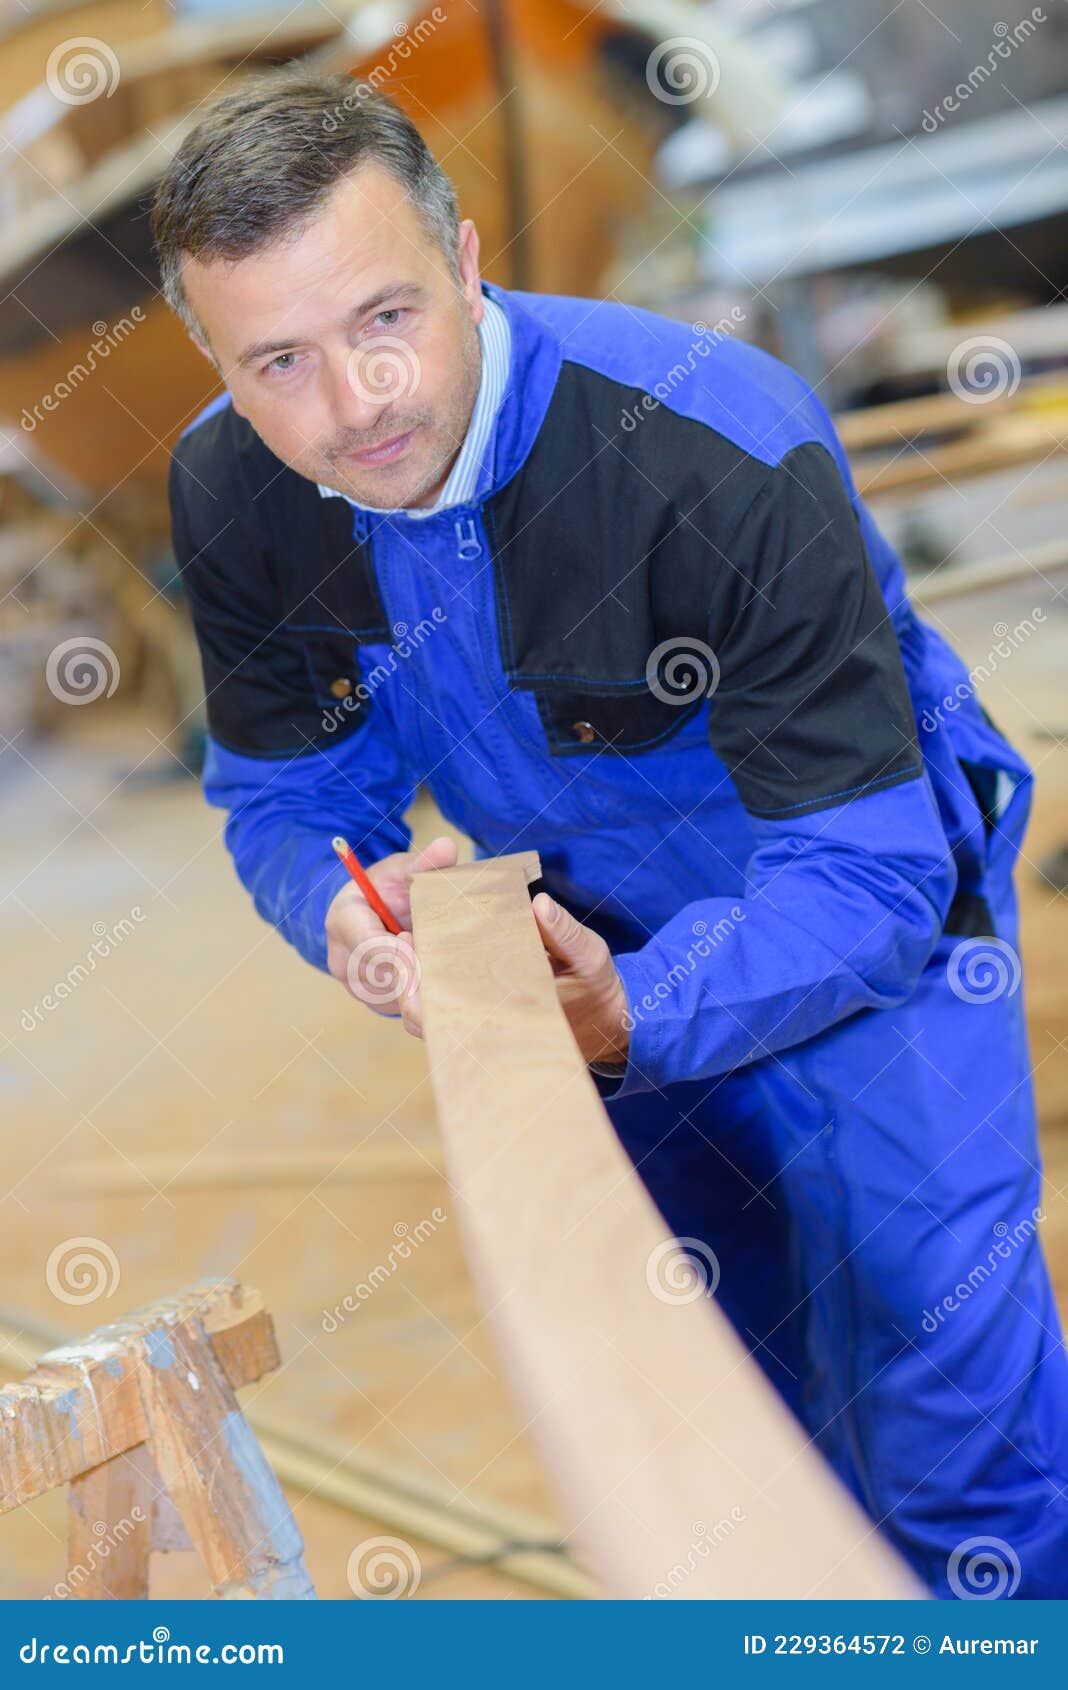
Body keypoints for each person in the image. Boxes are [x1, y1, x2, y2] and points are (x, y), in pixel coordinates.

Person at [154, 70, 1068, 1599]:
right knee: (725, 1407)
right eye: (280, 361)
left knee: (952, 1433)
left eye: (387, 318)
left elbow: (872, 872)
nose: (354, 405)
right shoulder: (239, 489)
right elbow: (291, 795)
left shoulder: (713, 447)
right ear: (217, 362)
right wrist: (350, 911)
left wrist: (628, 1004)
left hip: (868, 959)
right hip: (592, 974)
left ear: (466, 261)